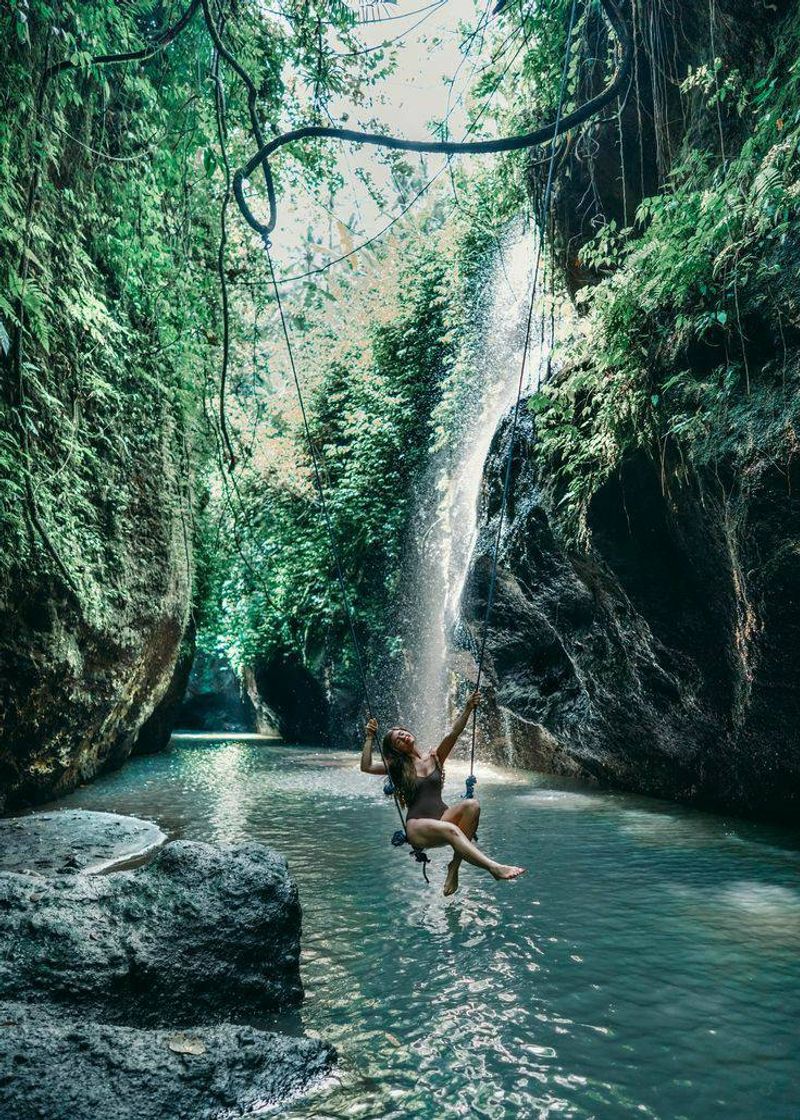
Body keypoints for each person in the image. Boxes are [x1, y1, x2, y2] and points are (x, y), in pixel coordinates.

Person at [360, 691, 526, 895]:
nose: (402, 736)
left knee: (472, 805)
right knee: (452, 831)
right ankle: (494, 868)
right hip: (418, 826)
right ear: (397, 750)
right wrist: (369, 737)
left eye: (402, 732)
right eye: (397, 740)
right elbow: (366, 766)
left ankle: (454, 867)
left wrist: (467, 708)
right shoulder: (397, 767)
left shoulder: (435, 758)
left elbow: (453, 734)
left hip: (442, 817)